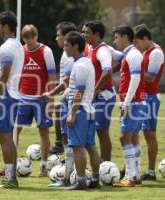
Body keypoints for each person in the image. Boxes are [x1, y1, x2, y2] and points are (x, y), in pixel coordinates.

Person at [0, 11, 24, 189]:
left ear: (6, 26)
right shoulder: (18, 45)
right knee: (8, 137)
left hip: (6, 96)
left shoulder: (7, 48)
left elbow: (4, 75)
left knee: (4, 137)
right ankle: (11, 177)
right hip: (14, 94)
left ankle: (10, 179)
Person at [17, 24, 56, 177]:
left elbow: (52, 76)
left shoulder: (46, 51)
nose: (28, 43)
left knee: (44, 132)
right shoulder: (21, 50)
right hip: (23, 98)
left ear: (36, 37)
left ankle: (44, 167)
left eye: (31, 39)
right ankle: (11, 165)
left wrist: (51, 99)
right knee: (15, 130)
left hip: (41, 98)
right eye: (25, 39)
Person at [63, 31, 101, 190]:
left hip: (80, 112)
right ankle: (95, 180)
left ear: (75, 46)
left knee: (77, 147)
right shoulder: (86, 63)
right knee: (91, 147)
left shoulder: (80, 66)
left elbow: (79, 91)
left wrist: (72, 113)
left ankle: (80, 182)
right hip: (89, 110)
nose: (64, 48)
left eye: (66, 45)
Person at [43, 21, 77, 186]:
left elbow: (68, 80)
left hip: (70, 101)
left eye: (58, 35)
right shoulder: (66, 54)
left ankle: (71, 174)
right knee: (66, 136)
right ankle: (69, 171)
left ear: (66, 36)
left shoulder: (69, 56)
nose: (56, 38)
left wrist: (53, 93)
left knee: (69, 137)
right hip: (67, 100)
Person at [111, 25, 146, 187]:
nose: (115, 41)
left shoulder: (133, 55)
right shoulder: (130, 54)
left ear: (125, 37)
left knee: (124, 137)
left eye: (117, 37)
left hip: (133, 102)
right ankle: (136, 175)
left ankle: (130, 177)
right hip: (136, 102)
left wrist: (126, 102)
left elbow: (136, 78)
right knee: (133, 137)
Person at [132, 24, 165, 181]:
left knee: (149, 134)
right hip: (143, 96)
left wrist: (133, 72)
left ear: (145, 39)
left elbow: (151, 77)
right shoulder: (145, 51)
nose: (136, 46)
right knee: (137, 132)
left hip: (151, 97)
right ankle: (134, 168)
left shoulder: (156, 53)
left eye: (137, 42)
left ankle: (151, 172)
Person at [82, 20, 116, 161]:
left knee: (102, 132)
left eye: (87, 32)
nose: (84, 35)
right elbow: (122, 57)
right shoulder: (90, 48)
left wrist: (95, 90)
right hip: (95, 95)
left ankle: (106, 165)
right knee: (95, 130)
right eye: (83, 31)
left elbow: (107, 71)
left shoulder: (102, 50)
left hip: (104, 95)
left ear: (96, 35)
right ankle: (101, 164)